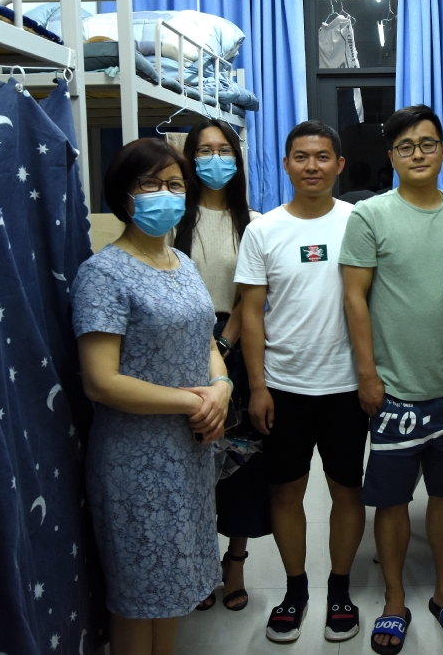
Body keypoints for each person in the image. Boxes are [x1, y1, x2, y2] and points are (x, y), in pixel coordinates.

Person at [71, 138, 232, 655]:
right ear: (123, 194)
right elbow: (101, 381)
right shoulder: (103, 274)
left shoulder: (182, 262)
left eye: (175, 184)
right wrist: (195, 403)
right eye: (150, 183)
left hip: (189, 453)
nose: (165, 193)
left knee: (174, 588)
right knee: (139, 595)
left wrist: (223, 387)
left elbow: (206, 340)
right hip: (135, 460)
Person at [340, 104, 443, 654]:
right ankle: (395, 599)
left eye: (427, 144)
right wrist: (367, 374)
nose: (418, 154)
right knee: (393, 502)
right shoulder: (370, 215)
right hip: (394, 389)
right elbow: (354, 299)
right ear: (392, 156)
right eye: (406, 146)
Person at [235, 121, 367, 644]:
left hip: (346, 386)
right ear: (286, 163)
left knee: (346, 490)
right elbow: (251, 313)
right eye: (301, 156)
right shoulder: (263, 230)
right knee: (286, 492)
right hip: (284, 386)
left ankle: (340, 591)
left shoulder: (358, 223)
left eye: (322, 156)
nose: (312, 166)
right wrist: (258, 386)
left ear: (339, 164)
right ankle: (295, 591)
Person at [173, 119, 270, 612]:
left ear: (237, 158)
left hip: (238, 344)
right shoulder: (172, 218)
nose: (215, 159)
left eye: (224, 150)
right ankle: (198, 562)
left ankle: (235, 561)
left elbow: (251, 297)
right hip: (178, 352)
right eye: (204, 150)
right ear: (189, 159)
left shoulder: (254, 221)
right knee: (190, 462)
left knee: (240, 463)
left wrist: (224, 344)